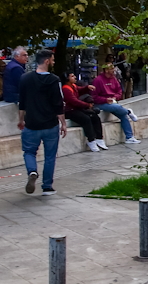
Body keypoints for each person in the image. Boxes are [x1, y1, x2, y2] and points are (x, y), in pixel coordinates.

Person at [18, 50, 66, 196]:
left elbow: (22, 103)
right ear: (46, 61)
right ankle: (47, 187)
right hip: (50, 124)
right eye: (52, 60)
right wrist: (63, 123)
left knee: (29, 152)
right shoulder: (54, 80)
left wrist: (21, 120)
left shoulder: (25, 78)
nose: (53, 62)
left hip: (31, 124)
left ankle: (32, 171)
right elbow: (58, 104)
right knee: (50, 156)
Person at [91, 63, 139, 144]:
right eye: (111, 69)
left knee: (123, 115)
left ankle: (129, 137)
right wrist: (105, 99)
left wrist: (115, 97)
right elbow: (94, 97)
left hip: (113, 101)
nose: (114, 70)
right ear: (106, 70)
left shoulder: (114, 78)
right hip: (101, 103)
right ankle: (129, 112)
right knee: (117, 108)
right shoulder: (98, 80)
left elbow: (119, 91)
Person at [62, 73, 106, 151]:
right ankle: (91, 140)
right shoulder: (66, 89)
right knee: (86, 119)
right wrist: (87, 105)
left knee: (94, 116)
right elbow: (74, 101)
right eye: (72, 76)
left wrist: (87, 87)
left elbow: (80, 89)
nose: (75, 77)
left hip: (77, 108)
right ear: (67, 79)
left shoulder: (73, 86)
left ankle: (99, 138)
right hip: (70, 111)